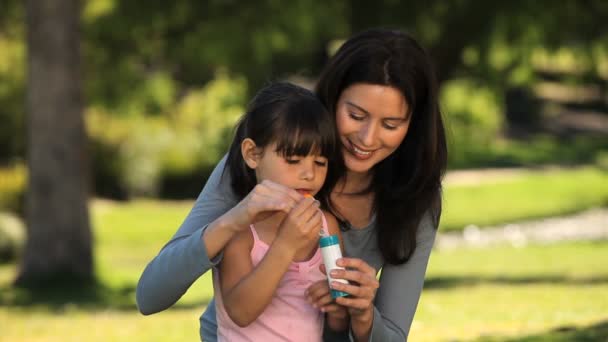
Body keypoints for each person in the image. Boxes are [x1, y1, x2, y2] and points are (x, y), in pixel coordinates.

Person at [137, 28, 447, 341]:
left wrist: (362, 316)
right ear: (332, 99)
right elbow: (151, 296)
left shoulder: (416, 197)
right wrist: (232, 221)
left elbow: (382, 334)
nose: (367, 139)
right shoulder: (266, 159)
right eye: (355, 115)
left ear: (413, 126)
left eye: (390, 125)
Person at [213, 81, 347, 340]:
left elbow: (338, 323)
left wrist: (336, 306)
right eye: (294, 160)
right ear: (253, 154)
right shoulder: (239, 229)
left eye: (320, 162)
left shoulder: (326, 226)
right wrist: (286, 245)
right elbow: (240, 312)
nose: (309, 174)